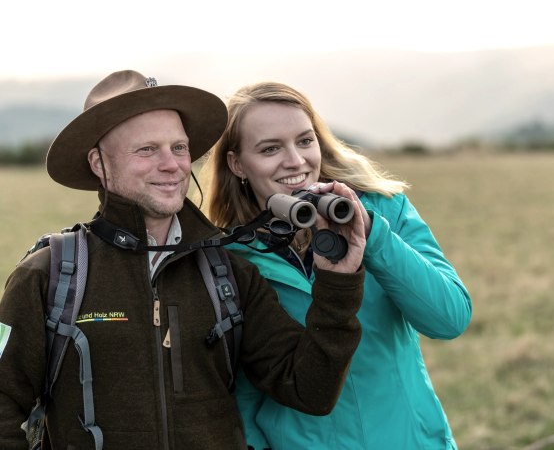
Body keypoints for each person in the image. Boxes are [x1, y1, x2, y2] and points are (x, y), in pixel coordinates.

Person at [0, 70, 368, 450]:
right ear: (99, 163)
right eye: (146, 150)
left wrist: (337, 283)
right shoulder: (51, 276)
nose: (172, 164)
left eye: (179, 148)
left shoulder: (229, 273)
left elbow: (310, 391)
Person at [204, 81, 473, 450]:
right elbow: (245, 390)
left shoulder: (385, 210)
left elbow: (449, 319)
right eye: (270, 148)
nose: (296, 161)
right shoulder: (232, 260)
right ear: (237, 164)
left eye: (304, 140)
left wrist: (373, 236)